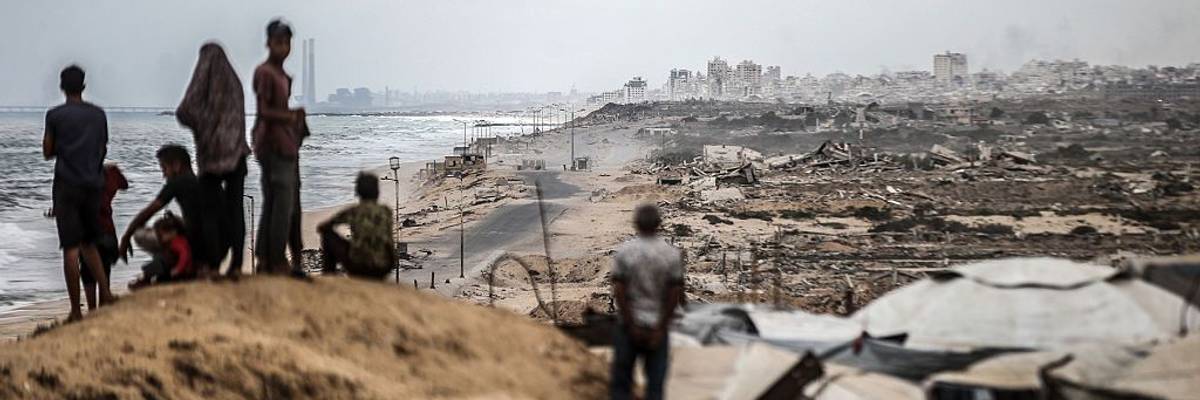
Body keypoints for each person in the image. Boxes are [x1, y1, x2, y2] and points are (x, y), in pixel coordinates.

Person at [43, 65, 115, 321]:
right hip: (93, 183)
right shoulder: (98, 115)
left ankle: (75, 309)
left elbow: (48, 151)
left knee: (71, 248)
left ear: (62, 87)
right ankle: (106, 292)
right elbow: (103, 148)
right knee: (90, 242)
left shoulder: (54, 115)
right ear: (83, 87)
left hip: (66, 184)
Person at [176, 42, 250, 278]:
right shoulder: (235, 84)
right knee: (235, 209)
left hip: (211, 156)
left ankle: (213, 265)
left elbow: (185, 110)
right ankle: (237, 265)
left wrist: (204, 128)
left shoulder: (203, 82)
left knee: (209, 213)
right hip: (237, 154)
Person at [610, 204, 684, 400]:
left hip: (629, 325)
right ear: (659, 224)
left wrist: (630, 324)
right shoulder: (671, 254)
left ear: (636, 224)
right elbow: (674, 293)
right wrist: (661, 326)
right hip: (657, 324)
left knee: (621, 385)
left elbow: (619, 290)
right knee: (655, 386)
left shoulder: (625, 252)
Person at [252, 19, 306, 274]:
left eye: (287, 43)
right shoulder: (265, 73)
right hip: (273, 146)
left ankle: (265, 258)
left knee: (276, 203)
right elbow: (264, 110)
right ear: (269, 43)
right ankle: (275, 260)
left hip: (285, 144)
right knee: (282, 203)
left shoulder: (282, 75)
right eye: (278, 42)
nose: (283, 48)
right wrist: (291, 117)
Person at [117, 145, 220, 276]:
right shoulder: (201, 182)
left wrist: (126, 237)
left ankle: (170, 263)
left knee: (140, 234)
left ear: (176, 165)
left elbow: (148, 212)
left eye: (164, 168)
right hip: (217, 248)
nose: (163, 175)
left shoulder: (177, 183)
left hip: (197, 245)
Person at [317, 172, 395, 279]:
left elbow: (324, 226)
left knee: (328, 235)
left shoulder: (354, 211)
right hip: (384, 267)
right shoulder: (386, 211)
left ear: (358, 192)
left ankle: (329, 275)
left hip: (359, 266)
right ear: (377, 191)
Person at [80, 162, 128, 310]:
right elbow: (124, 185)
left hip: (88, 228)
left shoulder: (82, 174)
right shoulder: (111, 172)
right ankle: (103, 304)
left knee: (88, 270)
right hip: (108, 229)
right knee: (104, 268)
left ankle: (92, 308)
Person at [128, 213, 193, 288]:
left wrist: (178, 269)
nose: (160, 239)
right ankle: (152, 278)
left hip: (179, 269)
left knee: (159, 261)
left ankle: (145, 279)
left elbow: (185, 255)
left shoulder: (178, 242)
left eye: (161, 236)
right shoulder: (174, 241)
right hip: (176, 267)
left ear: (173, 232)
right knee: (159, 258)